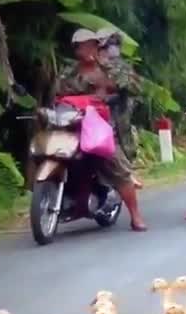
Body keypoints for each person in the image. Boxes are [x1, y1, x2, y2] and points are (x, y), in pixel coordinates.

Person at [55, 28, 147, 231]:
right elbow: (58, 95)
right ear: (76, 49)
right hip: (73, 125)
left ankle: (135, 216)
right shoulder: (69, 72)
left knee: (118, 167)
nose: (88, 48)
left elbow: (136, 88)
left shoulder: (111, 67)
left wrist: (111, 83)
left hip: (101, 127)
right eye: (83, 45)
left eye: (92, 44)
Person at [96, 26, 143, 188]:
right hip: (91, 111)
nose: (112, 48)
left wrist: (118, 80)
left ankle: (127, 176)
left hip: (117, 111)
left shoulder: (121, 66)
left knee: (122, 143)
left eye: (115, 44)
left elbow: (135, 87)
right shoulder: (88, 64)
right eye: (109, 44)